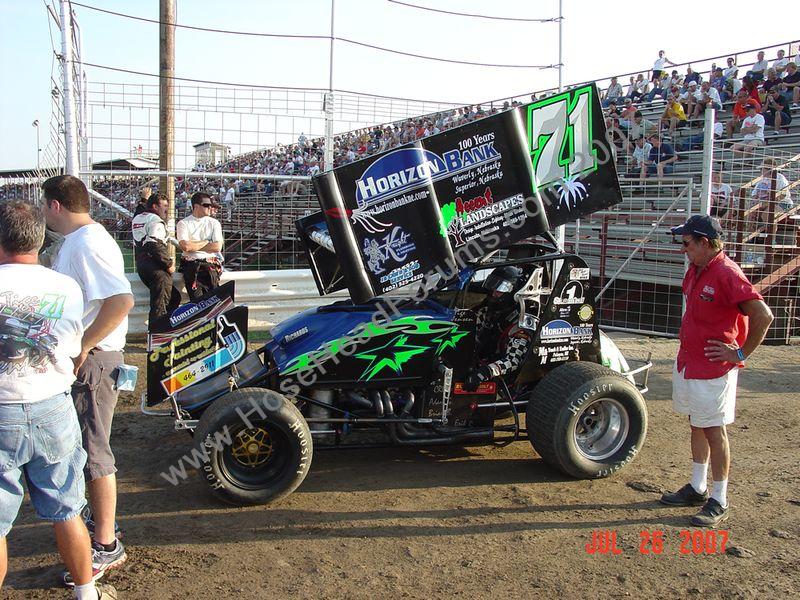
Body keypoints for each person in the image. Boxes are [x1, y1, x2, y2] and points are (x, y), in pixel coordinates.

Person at [0, 201, 116, 600]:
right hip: (52, 403)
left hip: (2, 408)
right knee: (66, 509)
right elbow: (69, 345)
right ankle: (86, 592)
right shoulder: (65, 286)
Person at [41, 175, 132, 587]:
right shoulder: (81, 242)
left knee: (94, 452)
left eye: (44, 206)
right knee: (89, 449)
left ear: (56, 205)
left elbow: (121, 300)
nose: (43, 214)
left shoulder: (87, 243)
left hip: (95, 360)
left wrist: (84, 346)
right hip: (93, 359)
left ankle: (107, 544)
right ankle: (102, 528)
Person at [660, 215, 773, 527]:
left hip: (712, 368)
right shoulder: (698, 269)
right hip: (691, 361)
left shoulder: (726, 272)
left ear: (704, 243)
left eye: (687, 244)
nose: (683, 250)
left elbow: (763, 315)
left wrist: (738, 353)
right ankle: (698, 487)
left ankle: (720, 498)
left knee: (713, 429)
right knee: (698, 424)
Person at [464, 266, 532, 390]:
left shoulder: (520, 325)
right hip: (478, 362)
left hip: (502, 381)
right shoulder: (488, 311)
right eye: (493, 288)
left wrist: (485, 372)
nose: (494, 293)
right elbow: (469, 328)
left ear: (513, 292)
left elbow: (513, 360)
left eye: (500, 289)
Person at [131, 192, 181, 324]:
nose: (167, 209)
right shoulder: (156, 221)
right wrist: (168, 264)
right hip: (157, 268)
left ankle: (166, 328)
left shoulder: (138, 217)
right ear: (155, 206)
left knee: (174, 298)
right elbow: (154, 244)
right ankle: (158, 338)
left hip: (142, 266)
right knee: (160, 306)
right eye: (164, 205)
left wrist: (143, 200)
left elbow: (140, 210)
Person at [176, 192, 224, 302]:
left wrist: (195, 245)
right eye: (206, 205)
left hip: (210, 266)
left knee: (213, 300)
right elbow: (186, 247)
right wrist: (207, 242)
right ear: (196, 206)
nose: (210, 208)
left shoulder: (214, 223)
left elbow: (217, 247)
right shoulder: (183, 223)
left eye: (210, 205)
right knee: (198, 302)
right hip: (191, 266)